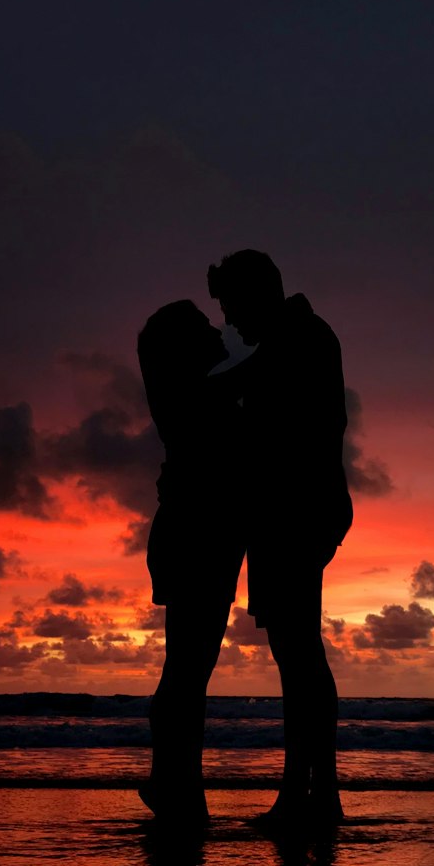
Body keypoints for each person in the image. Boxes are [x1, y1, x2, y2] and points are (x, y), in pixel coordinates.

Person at [207, 250, 352, 830]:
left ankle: (306, 795)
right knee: (299, 654)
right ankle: (317, 794)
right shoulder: (296, 337)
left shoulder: (298, 339)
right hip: (296, 512)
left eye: (233, 309)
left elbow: (230, 389)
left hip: (295, 513)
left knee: (299, 657)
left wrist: (188, 374)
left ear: (258, 294)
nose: (231, 325)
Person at [137, 300, 247, 824]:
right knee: (187, 671)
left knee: (186, 670)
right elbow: (257, 372)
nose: (217, 329)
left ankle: (175, 781)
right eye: (205, 326)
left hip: (198, 537)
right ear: (185, 345)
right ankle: (175, 783)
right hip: (195, 539)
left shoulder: (192, 394)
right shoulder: (196, 396)